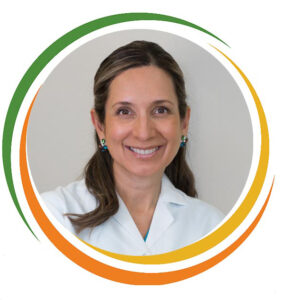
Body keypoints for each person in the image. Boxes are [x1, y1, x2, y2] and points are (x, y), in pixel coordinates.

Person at [41, 40, 224, 256]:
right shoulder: (52, 215)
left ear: (184, 122)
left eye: (161, 110)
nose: (144, 132)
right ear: (100, 125)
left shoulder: (213, 227)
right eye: (124, 112)